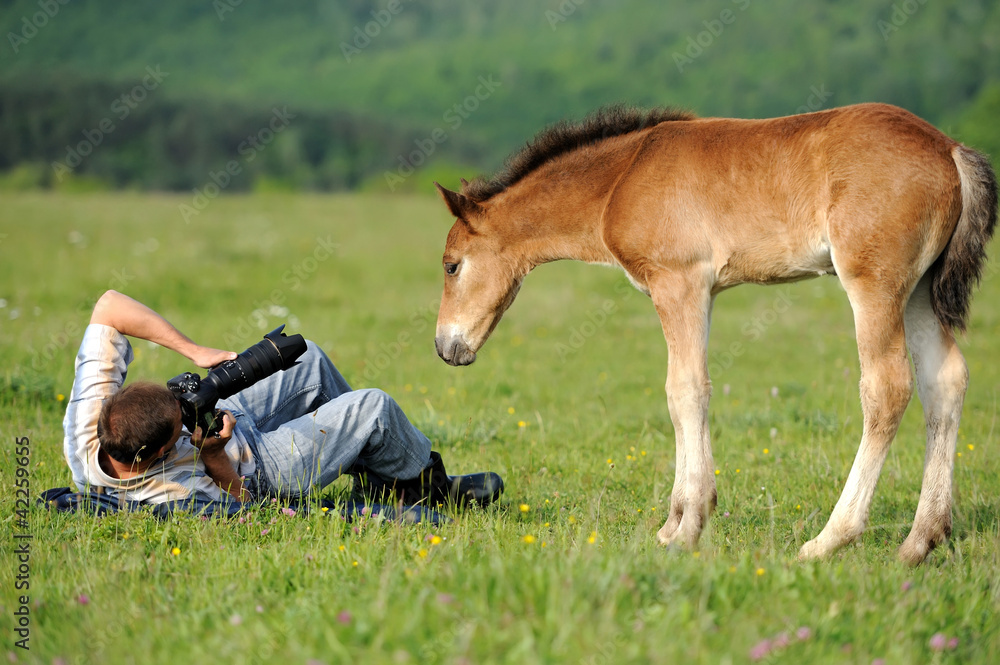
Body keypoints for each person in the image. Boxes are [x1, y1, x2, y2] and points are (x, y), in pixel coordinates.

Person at [62, 290, 503, 508]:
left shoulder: (89, 429)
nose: (188, 407)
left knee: (307, 357)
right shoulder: (171, 491)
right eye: (183, 420)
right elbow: (246, 510)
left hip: (236, 423)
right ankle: (426, 486)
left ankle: (383, 475)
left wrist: (195, 352)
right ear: (162, 452)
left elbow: (108, 305)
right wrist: (215, 458)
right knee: (374, 406)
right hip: (260, 468)